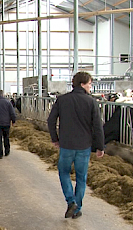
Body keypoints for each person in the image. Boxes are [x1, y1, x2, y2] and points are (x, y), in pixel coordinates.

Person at [47, 71, 104, 219]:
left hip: (66, 145)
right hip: (84, 146)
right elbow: (98, 126)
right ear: (82, 84)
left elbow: (51, 120)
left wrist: (55, 138)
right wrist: (100, 146)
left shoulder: (62, 100)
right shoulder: (91, 102)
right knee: (81, 177)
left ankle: (70, 201)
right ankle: (77, 207)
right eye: (90, 84)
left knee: (64, 172)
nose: (91, 87)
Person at [0, 90, 16, 159]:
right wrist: (13, 121)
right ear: (3, 95)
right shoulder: (8, 103)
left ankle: (0, 153)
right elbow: (12, 112)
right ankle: (7, 151)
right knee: (6, 137)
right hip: (6, 123)